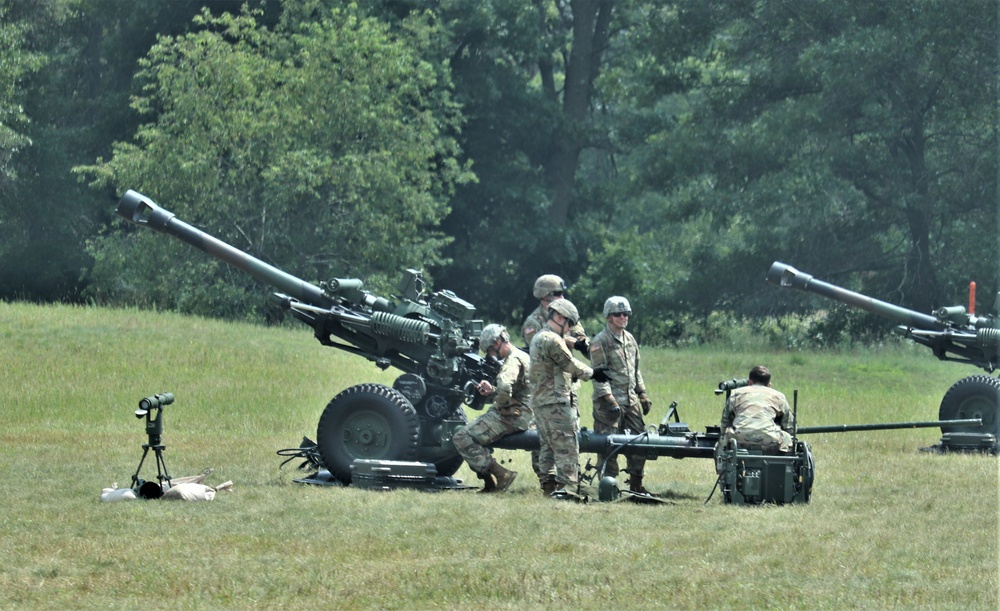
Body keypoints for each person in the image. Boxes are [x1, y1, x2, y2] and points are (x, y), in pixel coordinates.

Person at [528, 299, 610, 498]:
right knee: (567, 448)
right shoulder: (553, 339)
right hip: (556, 401)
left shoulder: (538, 337)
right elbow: (569, 363)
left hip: (541, 402)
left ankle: (549, 488)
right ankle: (568, 490)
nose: (571, 328)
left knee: (547, 447)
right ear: (558, 317)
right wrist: (593, 373)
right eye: (570, 323)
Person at [451, 325, 531, 492]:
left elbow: (505, 387)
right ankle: (489, 483)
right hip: (523, 412)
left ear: (497, 342)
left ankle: (501, 474)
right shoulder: (523, 355)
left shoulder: (512, 361)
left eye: (490, 351)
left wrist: (498, 398)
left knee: (462, 437)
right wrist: (493, 391)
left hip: (512, 416)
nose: (491, 355)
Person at [589, 296, 654, 493]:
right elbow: (598, 375)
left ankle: (636, 484)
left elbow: (635, 370)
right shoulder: (600, 341)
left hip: (630, 400)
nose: (622, 317)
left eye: (625, 314)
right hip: (609, 403)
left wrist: (642, 393)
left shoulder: (630, 339)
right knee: (608, 445)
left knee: (640, 441)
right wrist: (609, 400)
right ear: (609, 316)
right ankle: (608, 485)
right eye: (618, 314)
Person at [720, 365, 795, 453]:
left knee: (724, 437)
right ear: (769, 385)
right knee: (787, 437)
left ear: (750, 382)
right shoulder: (779, 396)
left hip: (738, 439)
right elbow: (789, 426)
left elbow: (725, 422)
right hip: (769, 439)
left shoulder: (736, 393)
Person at [521, 274, 589, 356]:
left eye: (562, 293)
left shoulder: (567, 314)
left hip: (569, 367)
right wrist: (567, 341)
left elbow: (581, 338)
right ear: (546, 295)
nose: (562, 298)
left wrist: (585, 346)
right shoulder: (532, 323)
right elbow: (539, 349)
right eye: (558, 293)